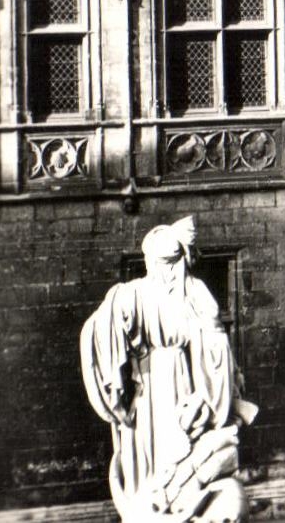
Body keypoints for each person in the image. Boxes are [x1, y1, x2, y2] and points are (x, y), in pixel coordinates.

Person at [80, 216, 257, 523]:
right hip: (169, 380)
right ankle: (154, 507)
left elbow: (98, 334)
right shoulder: (163, 293)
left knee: (166, 446)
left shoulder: (133, 294)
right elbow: (217, 347)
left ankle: (166, 505)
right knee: (165, 445)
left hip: (162, 382)